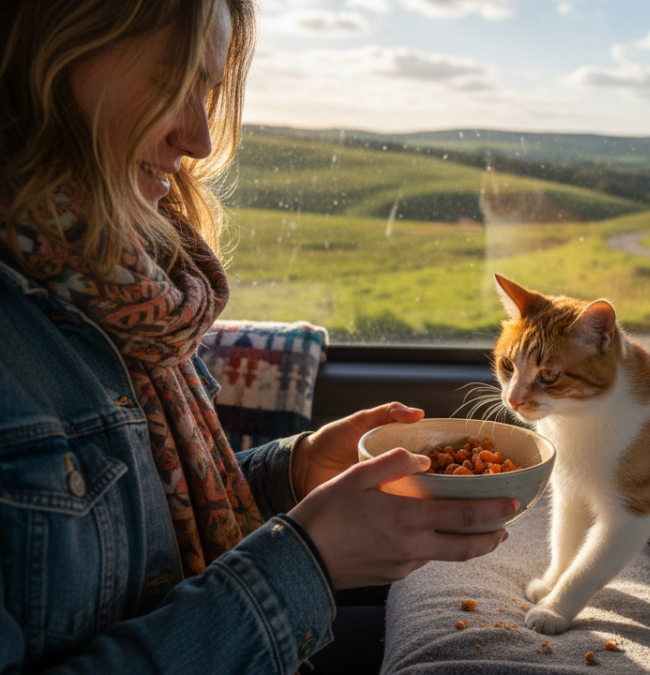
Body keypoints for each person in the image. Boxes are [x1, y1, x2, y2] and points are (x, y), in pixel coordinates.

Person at [0, 1, 518, 673]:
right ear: (43, 60)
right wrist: (306, 560)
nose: (198, 139)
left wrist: (292, 473)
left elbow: (131, 521)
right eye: (170, 82)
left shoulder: (122, 288)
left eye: (208, 92)